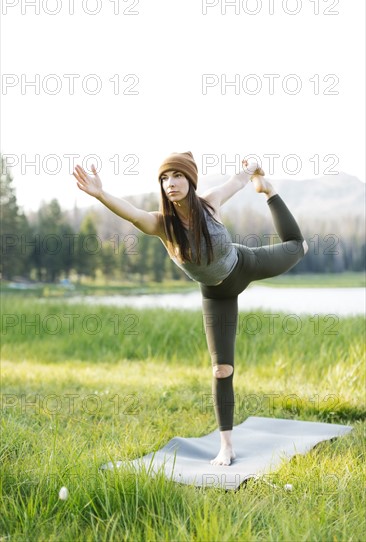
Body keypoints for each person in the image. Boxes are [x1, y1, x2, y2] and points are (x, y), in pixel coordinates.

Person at [72, 152, 308, 466]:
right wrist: (101, 194)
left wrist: (253, 172)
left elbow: (236, 181)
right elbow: (131, 213)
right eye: (165, 178)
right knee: (221, 369)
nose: (171, 183)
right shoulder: (161, 225)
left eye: (178, 176)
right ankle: (226, 445)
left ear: (190, 179)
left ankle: (270, 190)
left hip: (245, 264)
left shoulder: (210, 202)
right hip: (216, 295)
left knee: (298, 247)